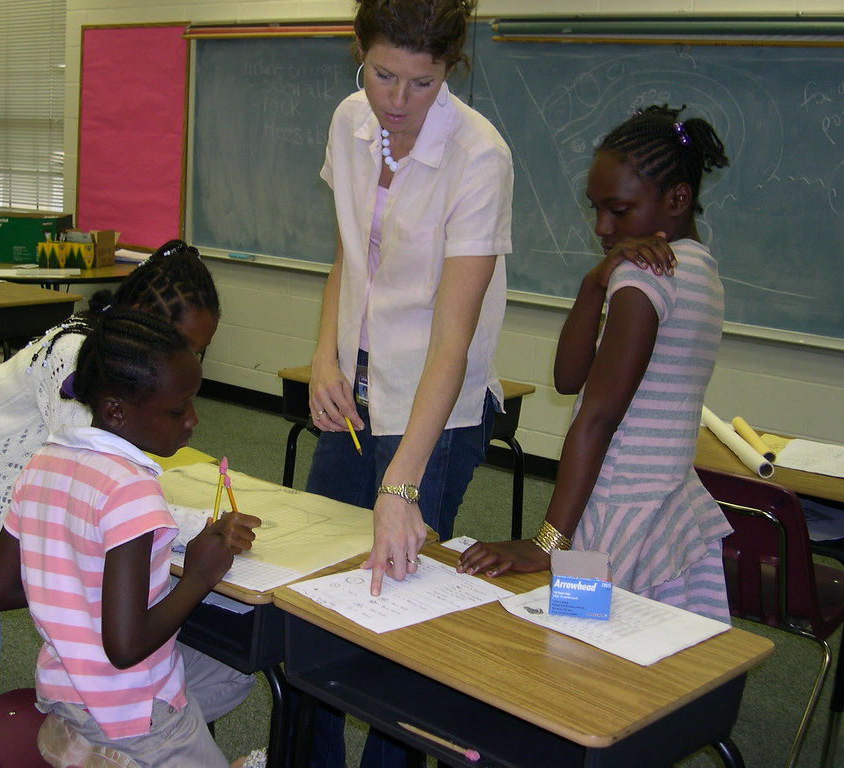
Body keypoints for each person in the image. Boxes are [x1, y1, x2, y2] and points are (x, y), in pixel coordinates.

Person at [301, 1, 512, 765]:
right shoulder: (348, 121)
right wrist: (326, 353)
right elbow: (347, 256)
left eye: (420, 83)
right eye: (382, 74)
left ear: (450, 68)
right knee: (316, 592)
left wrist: (401, 487)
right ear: (359, 52)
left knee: (402, 617)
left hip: (438, 410)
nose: (396, 100)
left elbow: (452, 339)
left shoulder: (480, 157)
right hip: (356, 386)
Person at [0, 240, 223, 703]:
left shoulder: (111, 361)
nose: (185, 359)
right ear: (142, 314)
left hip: (3, 496)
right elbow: (95, 490)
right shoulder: (80, 358)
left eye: (198, 351)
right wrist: (199, 528)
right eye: (183, 343)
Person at [459, 104, 733, 623]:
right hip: (664, 505)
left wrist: (548, 542)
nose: (603, 227)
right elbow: (568, 379)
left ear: (677, 198)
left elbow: (596, 416)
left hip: (611, 516)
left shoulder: (646, 277)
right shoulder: (701, 270)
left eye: (619, 210)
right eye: (596, 210)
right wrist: (593, 284)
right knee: (653, 666)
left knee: (578, 658)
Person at [0, 307, 261, 768]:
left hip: (64, 687)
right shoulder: (131, 488)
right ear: (115, 410)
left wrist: (72, 592)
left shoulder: (41, 463)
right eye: (177, 410)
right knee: (224, 666)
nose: (193, 420)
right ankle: (148, 747)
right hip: (128, 703)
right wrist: (198, 577)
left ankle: (127, 748)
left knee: (234, 672)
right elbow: (125, 646)